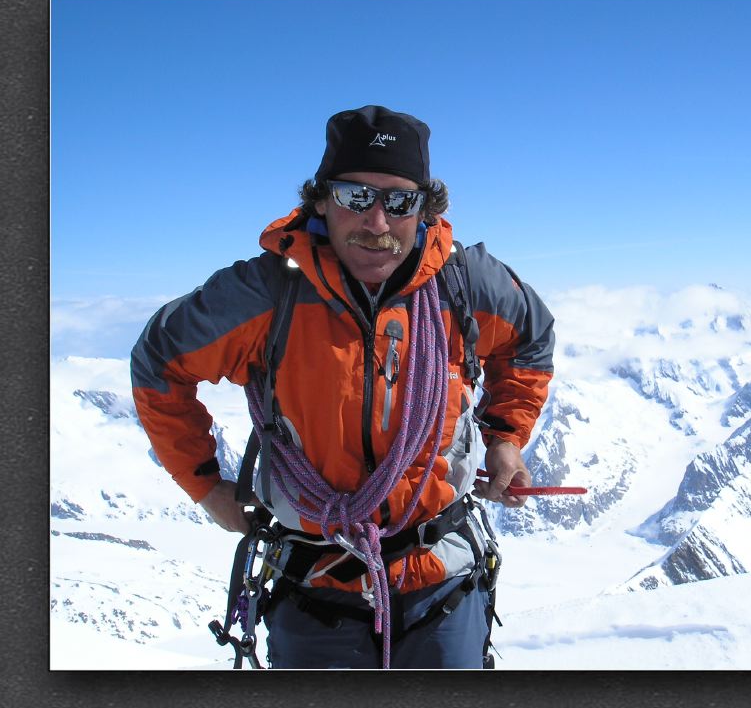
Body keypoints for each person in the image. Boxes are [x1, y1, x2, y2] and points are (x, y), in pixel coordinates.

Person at [131, 105, 555, 669]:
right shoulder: (267, 294)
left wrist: (505, 435)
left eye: (399, 201)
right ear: (321, 200)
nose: (377, 223)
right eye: (356, 197)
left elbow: (531, 339)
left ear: (425, 208)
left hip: (440, 582)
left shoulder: (463, 284)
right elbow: (160, 362)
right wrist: (206, 486)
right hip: (315, 585)